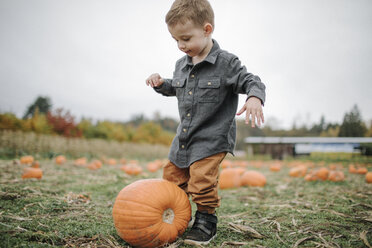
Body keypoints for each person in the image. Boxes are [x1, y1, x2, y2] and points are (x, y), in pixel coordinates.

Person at [146, 0, 266, 245]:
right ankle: (178, 216)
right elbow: (176, 89)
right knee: (172, 177)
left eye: (186, 39)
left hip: (213, 138)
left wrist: (254, 96)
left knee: (201, 181)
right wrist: (161, 85)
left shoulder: (227, 63)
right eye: (175, 40)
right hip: (184, 138)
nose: (181, 45)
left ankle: (206, 221)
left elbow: (251, 80)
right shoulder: (181, 65)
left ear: (207, 29)